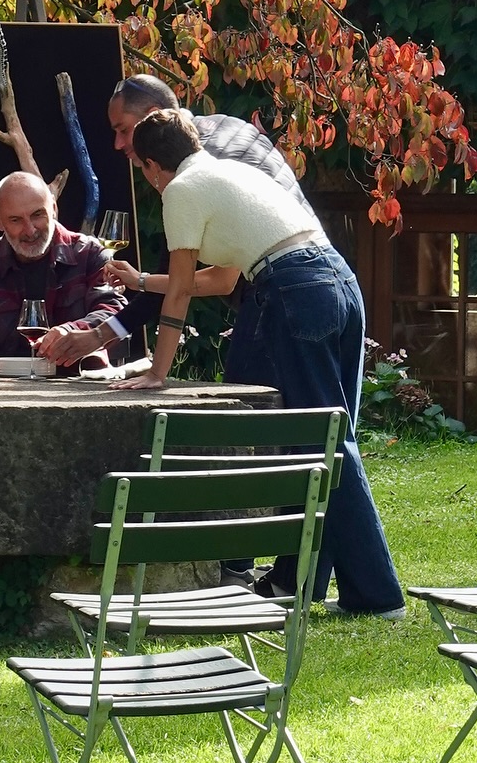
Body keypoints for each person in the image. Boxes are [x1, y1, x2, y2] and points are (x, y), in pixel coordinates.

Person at [117, 109, 405, 620]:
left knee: (325, 446)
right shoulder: (234, 172)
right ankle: (304, 583)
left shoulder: (181, 190)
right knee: (332, 443)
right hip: (337, 280)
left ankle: (378, 595)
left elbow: (183, 288)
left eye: (140, 164)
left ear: (151, 165)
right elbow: (223, 280)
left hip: (293, 290)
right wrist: (141, 280)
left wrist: (158, 372)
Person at [43, 74, 310, 365]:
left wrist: (151, 370)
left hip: (284, 296)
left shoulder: (190, 172)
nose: (117, 144)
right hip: (327, 277)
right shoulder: (224, 128)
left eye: (123, 130)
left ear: (153, 117)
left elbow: (199, 284)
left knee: (255, 404)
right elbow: (179, 279)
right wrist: (107, 326)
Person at [0, 172, 126, 374]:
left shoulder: (90, 254)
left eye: (37, 215)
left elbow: (115, 312)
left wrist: (71, 331)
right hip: (0, 392)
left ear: (53, 208)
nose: (30, 230)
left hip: (79, 385)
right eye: (16, 220)